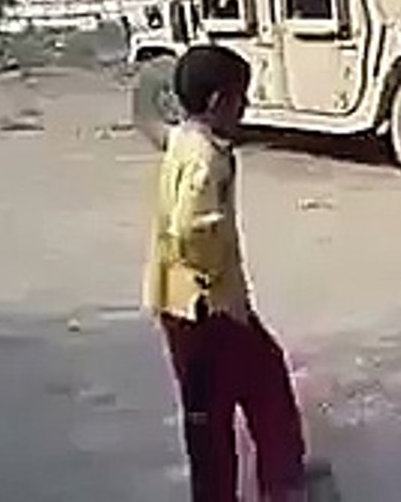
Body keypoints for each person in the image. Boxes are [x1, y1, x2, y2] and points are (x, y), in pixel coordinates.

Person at [142, 44, 309, 501]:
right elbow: (191, 231)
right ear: (219, 103)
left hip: (178, 304)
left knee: (209, 420)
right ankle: (282, 487)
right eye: (242, 99)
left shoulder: (183, 140)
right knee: (263, 392)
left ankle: (260, 486)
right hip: (208, 308)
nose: (246, 108)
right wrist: (218, 288)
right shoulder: (207, 159)